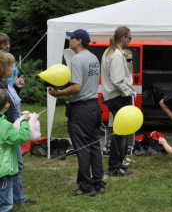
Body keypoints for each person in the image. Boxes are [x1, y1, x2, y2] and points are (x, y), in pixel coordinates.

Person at [48, 29, 105, 196]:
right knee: (94, 145)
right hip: (95, 105)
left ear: (79, 41)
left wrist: (58, 93)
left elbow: (77, 87)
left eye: (71, 38)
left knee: (82, 147)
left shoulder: (76, 60)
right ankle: (98, 182)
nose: (69, 40)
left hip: (80, 108)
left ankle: (86, 186)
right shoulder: (93, 57)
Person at [0, 34, 35, 205]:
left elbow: (12, 102)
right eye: (10, 66)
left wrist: (17, 89)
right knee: (11, 166)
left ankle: (15, 198)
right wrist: (22, 123)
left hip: (10, 125)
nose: (14, 69)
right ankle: (9, 202)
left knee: (14, 165)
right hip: (7, 128)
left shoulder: (6, 84)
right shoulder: (1, 86)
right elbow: (5, 106)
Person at [101, 26, 136, 177]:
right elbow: (117, 80)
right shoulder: (116, 54)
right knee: (121, 133)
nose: (130, 40)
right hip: (119, 97)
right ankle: (115, 167)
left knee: (120, 132)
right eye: (130, 38)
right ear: (123, 38)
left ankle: (117, 165)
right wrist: (129, 92)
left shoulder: (110, 52)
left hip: (114, 96)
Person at [0, 89, 30, 212]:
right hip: (3, 171)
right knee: (4, 204)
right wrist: (24, 122)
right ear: (7, 105)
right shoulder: (4, 125)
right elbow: (22, 138)